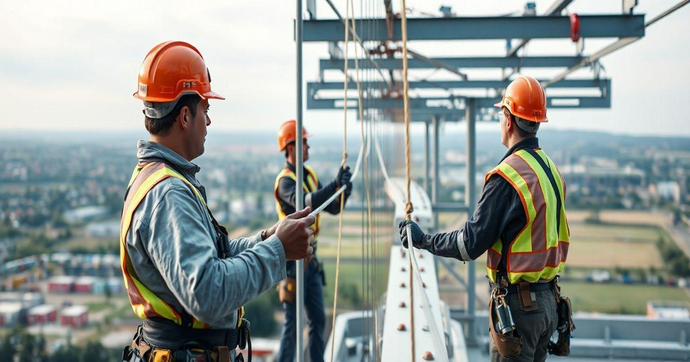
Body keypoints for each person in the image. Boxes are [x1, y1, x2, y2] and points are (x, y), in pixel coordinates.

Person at [121, 41, 315, 362]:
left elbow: (214, 257)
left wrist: (267, 239)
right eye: (205, 110)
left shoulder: (164, 179)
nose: (208, 122)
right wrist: (279, 250)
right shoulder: (168, 193)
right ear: (185, 116)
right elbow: (207, 293)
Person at [399, 75, 571, 362]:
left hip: (521, 310)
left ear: (509, 119)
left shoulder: (509, 176)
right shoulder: (550, 170)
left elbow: (470, 243)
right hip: (549, 303)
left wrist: (423, 240)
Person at [274, 120, 352, 362]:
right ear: (290, 147)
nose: (308, 147)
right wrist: (335, 185)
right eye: (304, 142)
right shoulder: (285, 182)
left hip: (309, 258)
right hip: (292, 263)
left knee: (318, 320)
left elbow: (331, 208)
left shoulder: (309, 175)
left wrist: (344, 192)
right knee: (293, 325)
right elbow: (306, 203)